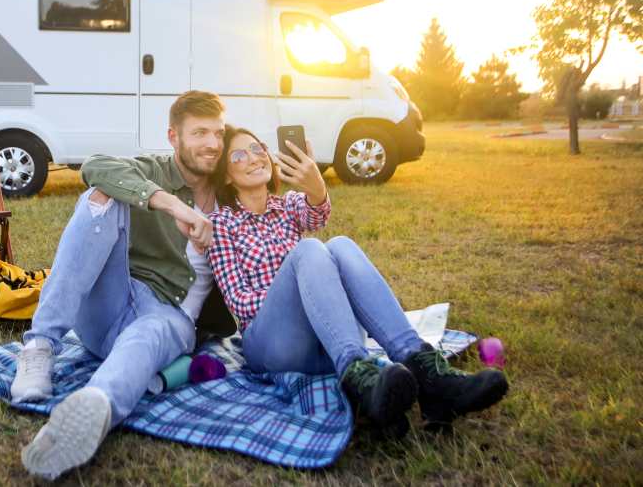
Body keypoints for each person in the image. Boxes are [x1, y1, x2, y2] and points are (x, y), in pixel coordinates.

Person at [206, 125, 508, 436]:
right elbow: (239, 302)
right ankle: (359, 374)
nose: (253, 158)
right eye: (239, 156)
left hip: (328, 340)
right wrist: (302, 287)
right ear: (226, 176)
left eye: (257, 148)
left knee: (340, 245)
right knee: (309, 250)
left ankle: (422, 370)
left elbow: (317, 214)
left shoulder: (288, 206)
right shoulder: (221, 224)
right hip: (274, 346)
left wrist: (316, 186)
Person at [10, 91, 228, 480]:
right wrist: (171, 205)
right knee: (100, 197)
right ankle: (40, 346)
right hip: (112, 301)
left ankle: (94, 407)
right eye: (199, 133)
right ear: (173, 136)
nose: (212, 143)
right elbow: (96, 166)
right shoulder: (155, 170)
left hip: (169, 315)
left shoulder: (228, 194)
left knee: (150, 334)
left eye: (218, 133)